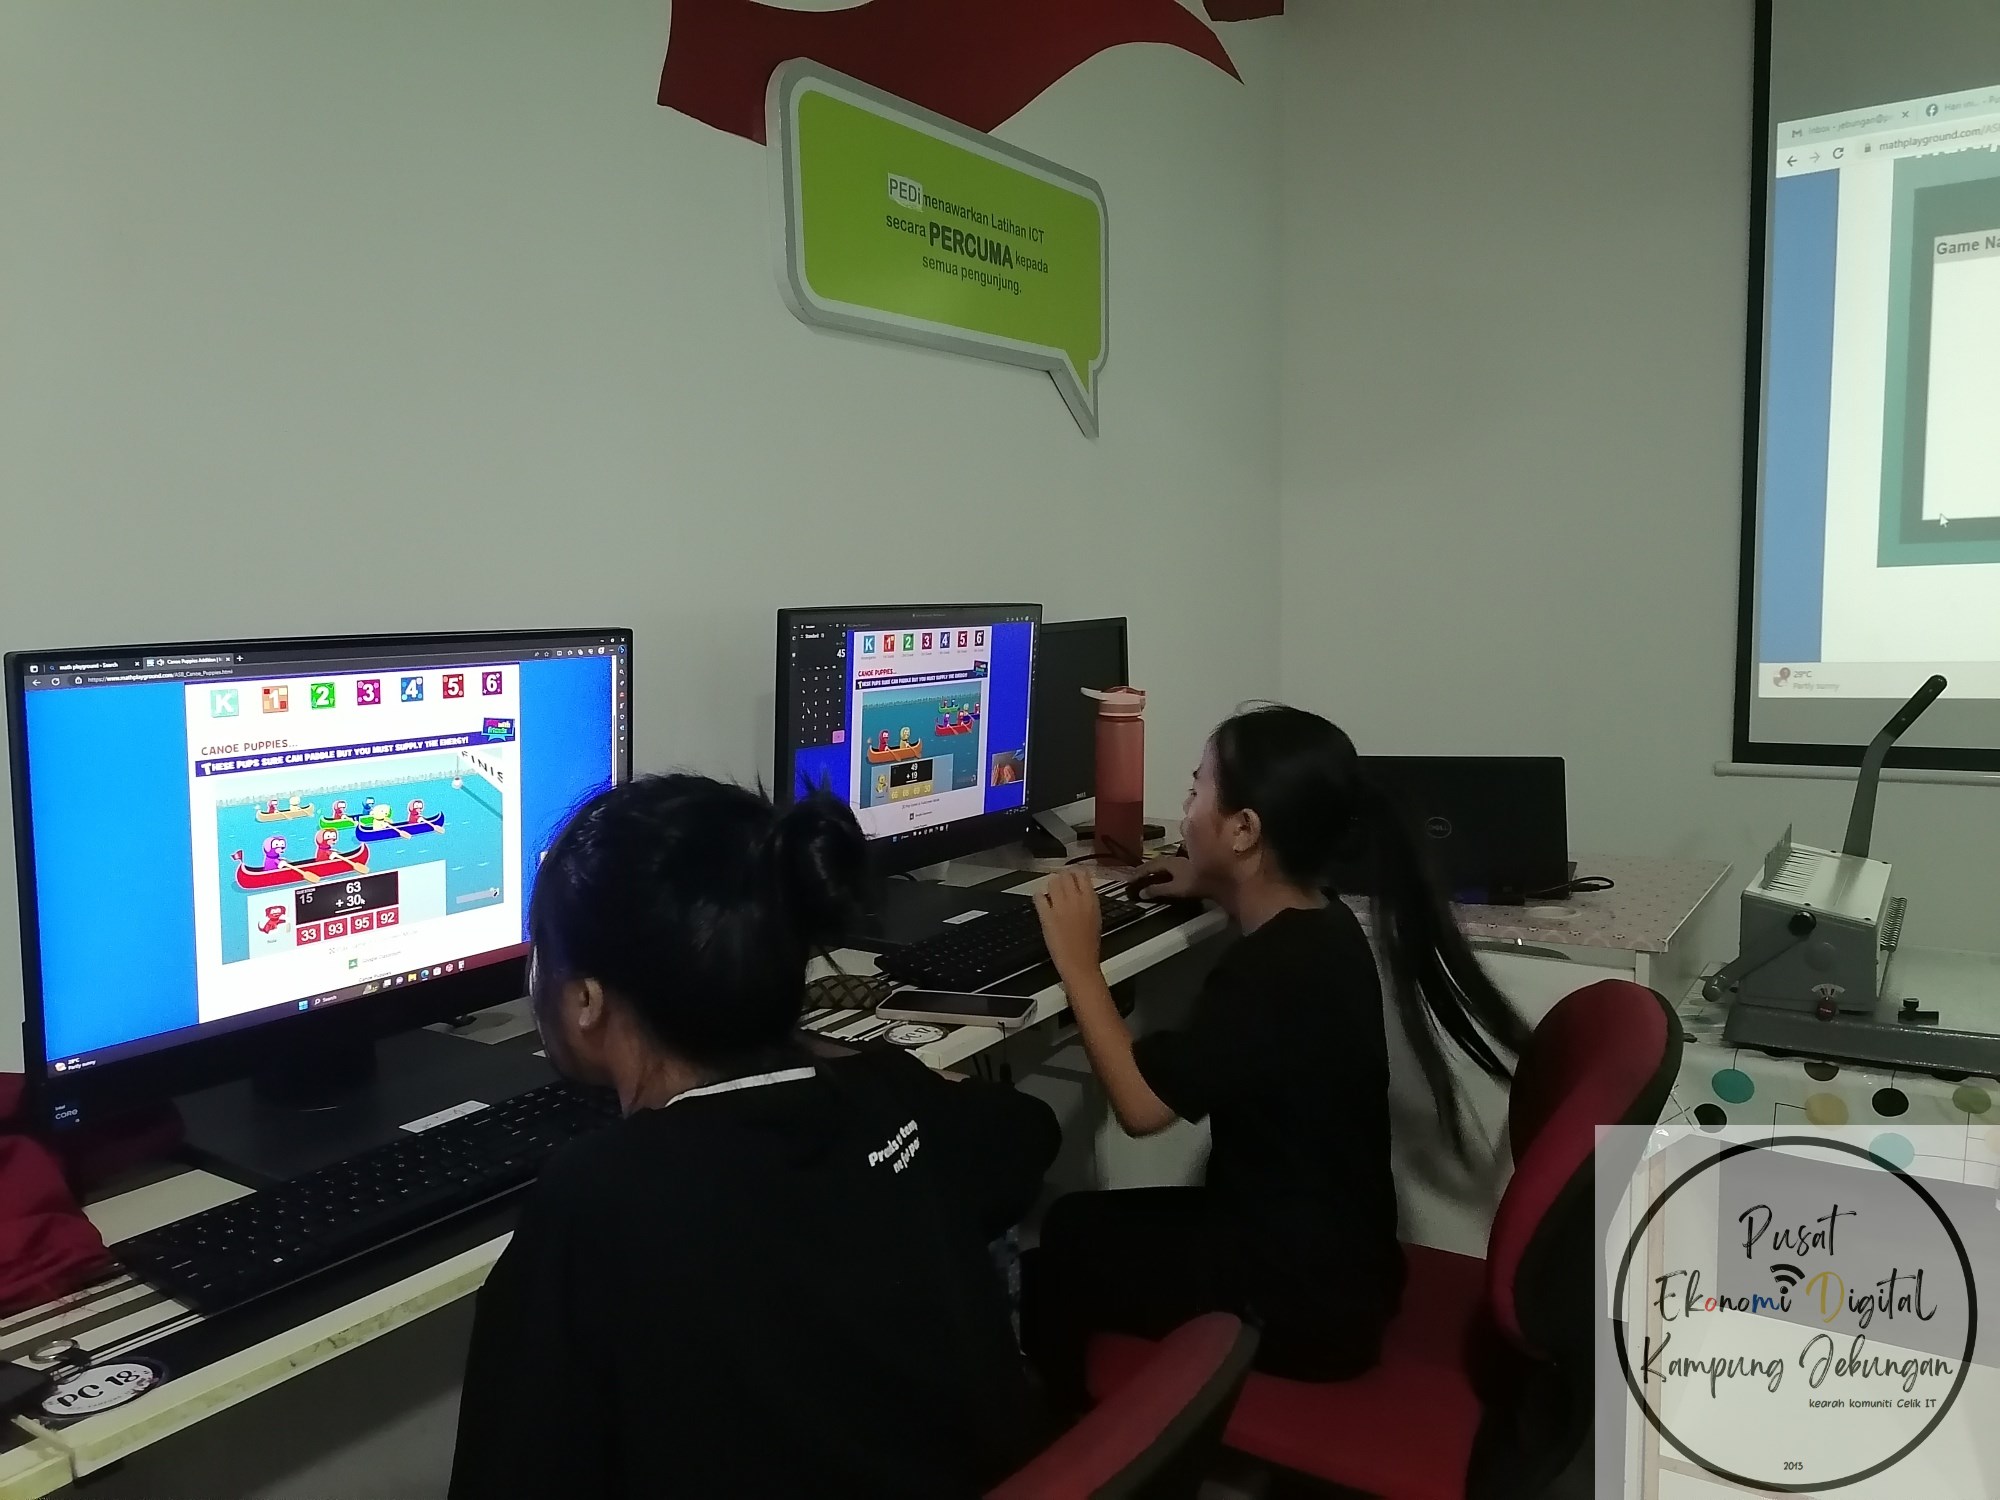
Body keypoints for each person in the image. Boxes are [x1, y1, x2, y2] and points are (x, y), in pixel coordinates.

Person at [450, 775, 1060, 1499]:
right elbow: (1029, 1136)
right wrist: (898, 1089)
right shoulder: (886, 1091)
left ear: (586, 999)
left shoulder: (598, 1195)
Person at [1020, 705, 1530, 1412]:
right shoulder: (1324, 924)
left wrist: (1080, 964)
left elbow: (1139, 1106)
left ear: (1244, 830)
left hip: (1300, 1311)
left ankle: (1076, 1439)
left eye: (1196, 790)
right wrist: (1212, 879)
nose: (1184, 808)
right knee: (1079, 1228)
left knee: (1065, 1244)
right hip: (1345, 1270)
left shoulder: (1268, 974)